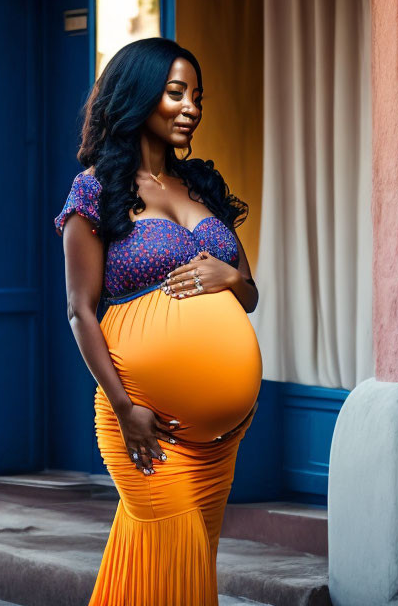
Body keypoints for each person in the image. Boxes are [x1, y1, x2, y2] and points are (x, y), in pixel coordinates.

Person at [53, 37, 263, 605]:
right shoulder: (97, 191)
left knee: (175, 576)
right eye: (176, 93)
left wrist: (230, 279)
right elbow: (79, 310)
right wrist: (125, 409)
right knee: (179, 560)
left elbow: (248, 292)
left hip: (220, 438)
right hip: (145, 422)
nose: (191, 106)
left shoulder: (202, 187)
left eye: (197, 95)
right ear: (139, 96)